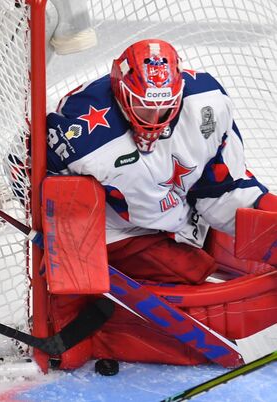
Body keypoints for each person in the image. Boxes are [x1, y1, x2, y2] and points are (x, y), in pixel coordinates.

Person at [44, 39, 276, 367]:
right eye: (142, 106)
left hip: (182, 208)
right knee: (190, 269)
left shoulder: (208, 102)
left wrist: (266, 221)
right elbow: (22, 165)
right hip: (121, 229)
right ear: (121, 91)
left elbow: (221, 187)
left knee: (264, 225)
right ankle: (105, 332)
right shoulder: (78, 132)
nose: (155, 119)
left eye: (164, 107)